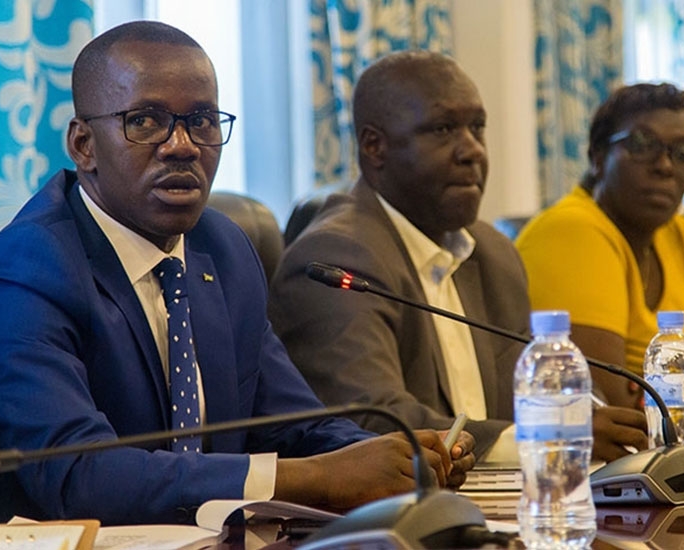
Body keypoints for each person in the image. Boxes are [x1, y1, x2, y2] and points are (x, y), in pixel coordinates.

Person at [0, 21, 472, 526]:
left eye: (201, 120)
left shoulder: (222, 249)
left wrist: (398, 457)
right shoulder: (22, 275)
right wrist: (316, 478)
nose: (182, 144)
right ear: (84, 145)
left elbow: (291, 423)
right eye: (144, 120)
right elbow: (81, 475)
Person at [268, 50, 648, 464]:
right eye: (443, 129)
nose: (472, 151)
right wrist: (541, 437)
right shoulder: (336, 258)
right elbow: (373, 419)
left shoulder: (492, 252)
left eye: (477, 128)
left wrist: (583, 412)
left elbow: (534, 391)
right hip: (394, 518)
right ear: (374, 146)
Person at [515, 82, 684, 426]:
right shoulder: (571, 229)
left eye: (683, 153)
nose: (665, 166)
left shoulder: (675, 231)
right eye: (642, 145)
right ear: (597, 156)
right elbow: (618, 412)